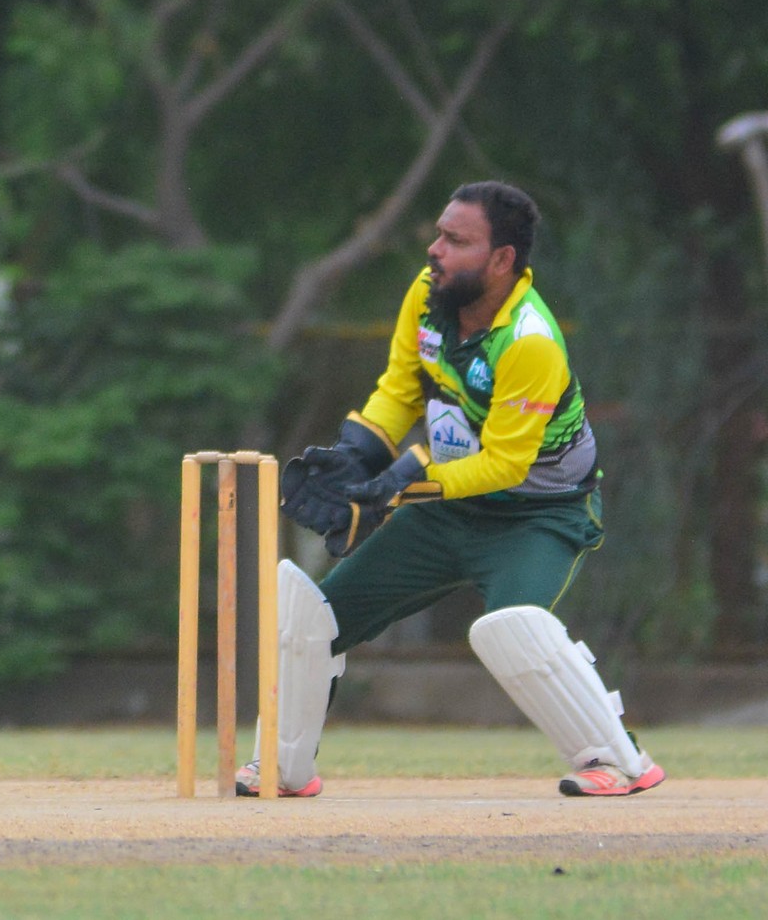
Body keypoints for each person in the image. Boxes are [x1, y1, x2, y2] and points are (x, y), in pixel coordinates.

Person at [264, 180, 663, 799]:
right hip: (448, 509)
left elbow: (504, 465)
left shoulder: (529, 341)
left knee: (513, 630)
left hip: (540, 514)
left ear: (502, 259)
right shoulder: (428, 295)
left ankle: (618, 761)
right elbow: (400, 389)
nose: (436, 249)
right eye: (439, 234)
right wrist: (355, 455)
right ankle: (281, 767)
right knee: (313, 623)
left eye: (456, 240)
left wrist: (398, 485)